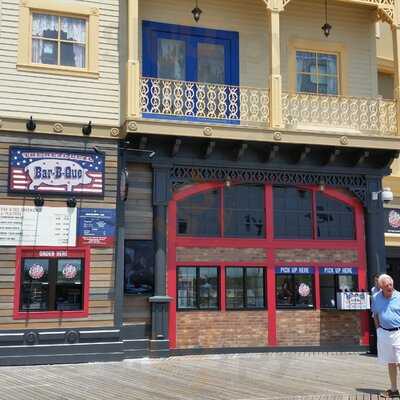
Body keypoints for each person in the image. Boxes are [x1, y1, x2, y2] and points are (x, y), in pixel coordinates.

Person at [372, 274, 400, 398]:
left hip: (398, 333)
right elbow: (375, 314)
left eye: (391, 284)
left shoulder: (399, 297)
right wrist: (378, 329)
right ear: (381, 287)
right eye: (386, 285)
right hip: (384, 333)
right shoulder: (376, 297)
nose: (390, 287)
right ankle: (394, 390)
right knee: (391, 362)